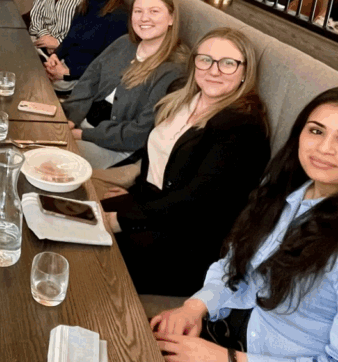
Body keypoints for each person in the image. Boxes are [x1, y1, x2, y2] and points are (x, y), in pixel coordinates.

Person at [151, 87, 338, 362]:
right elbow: (235, 265)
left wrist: (228, 359)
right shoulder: (286, 187)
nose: (323, 148)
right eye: (316, 131)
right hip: (219, 333)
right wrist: (195, 307)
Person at [100, 28, 270, 297]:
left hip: (184, 244)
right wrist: (134, 194)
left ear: (245, 72)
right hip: (153, 208)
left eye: (228, 63)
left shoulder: (241, 126)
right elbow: (159, 160)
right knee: (71, 215)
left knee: (90, 258)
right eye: (205, 59)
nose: (214, 71)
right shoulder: (182, 96)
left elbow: (195, 201)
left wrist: (123, 218)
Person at [62, 0, 187, 169]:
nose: (144, 18)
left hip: (116, 146)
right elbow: (89, 81)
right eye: (138, 11)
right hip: (82, 123)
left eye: (154, 11)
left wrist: (82, 135)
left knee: (56, 157)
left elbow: (140, 132)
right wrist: (71, 118)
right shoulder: (124, 42)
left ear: (171, 18)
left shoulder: (174, 69)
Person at [44, 0, 127, 90]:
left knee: (33, 80)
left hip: (83, 79)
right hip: (65, 67)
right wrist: (55, 56)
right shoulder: (84, 6)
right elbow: (69, 40)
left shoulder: (119, 16)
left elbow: (107, 65)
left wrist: (67, 73)